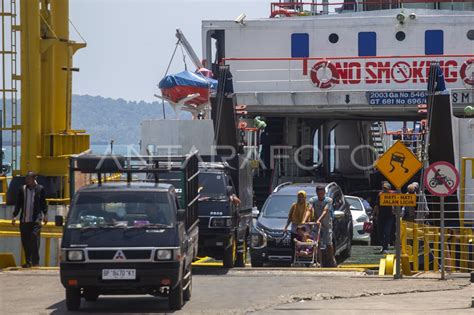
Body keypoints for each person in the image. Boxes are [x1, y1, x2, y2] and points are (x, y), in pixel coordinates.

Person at [11, 172, 47, 268]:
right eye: (26, 178)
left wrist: (45, 214)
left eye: (29, 178)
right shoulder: (22, 189)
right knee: (25, 241)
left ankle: (36, 261)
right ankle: (28, 262)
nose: (27, 180)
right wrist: (14, 215)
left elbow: (43, 203)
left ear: (34, 179)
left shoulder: (40, 189)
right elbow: (18, 203)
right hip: (24, 220)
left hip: (35, 220)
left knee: (34, 238)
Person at [308, 185, 337, 267]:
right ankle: (319, 262)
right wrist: (305, 219)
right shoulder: (313, 200)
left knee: (328, 242)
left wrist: (319, 220)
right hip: (317, 225)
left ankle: (331, 259)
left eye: (322, 193)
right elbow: (309, 209)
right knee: (317, 243)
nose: (321, 195)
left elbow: (325, 211)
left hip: (326, 224)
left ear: (324, 193)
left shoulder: (328, 200)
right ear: (316, 193)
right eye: (319, 193)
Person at [283, 190, 312, 259]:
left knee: (305, 244)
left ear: (305, 197)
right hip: (295, 228)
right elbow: (290, 217)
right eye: (299, 197)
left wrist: (310, 227)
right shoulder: (294, 205)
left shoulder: (308, 205)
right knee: (294, 244)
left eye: (302, 197)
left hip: (304, 228)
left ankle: (305, 259)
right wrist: (286, 227)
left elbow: (311, 215)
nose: (300, 198)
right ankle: (294, 259)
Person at [373, 181, 394, 254]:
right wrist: (373, 215)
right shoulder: (380, 195)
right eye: (383, 188)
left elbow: (397, 203)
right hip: (381, 216)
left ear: (389, 189)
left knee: (387, 232)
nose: (384, 190)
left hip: (389, 216)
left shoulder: (393, 194)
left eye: (386, 188)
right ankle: (383, 245)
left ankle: (386, 248)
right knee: (380, 232)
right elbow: (376, 205)